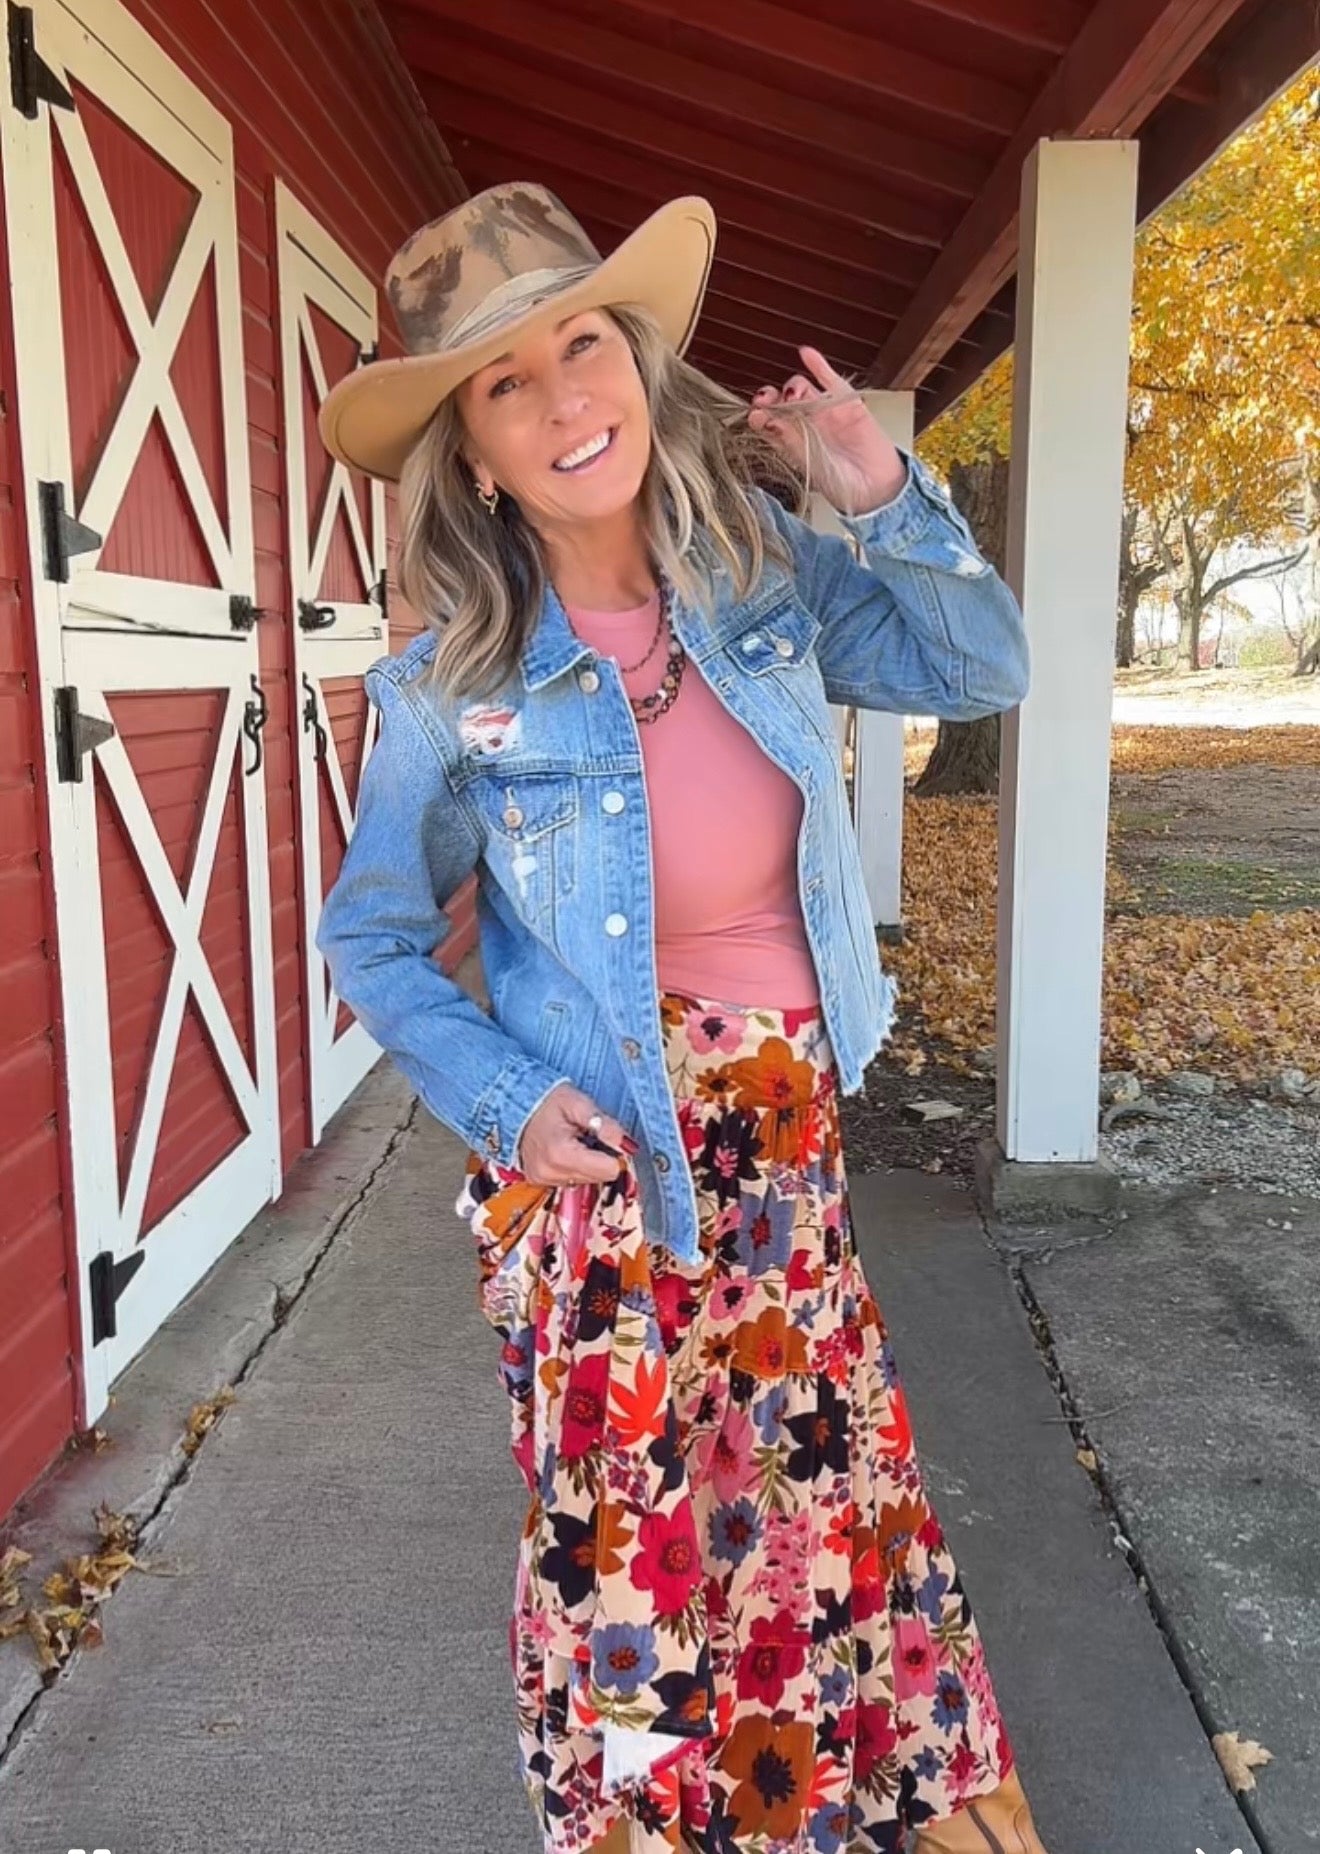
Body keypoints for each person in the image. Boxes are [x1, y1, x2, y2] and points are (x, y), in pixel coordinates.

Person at [315, 182, 1047, 1854]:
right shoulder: (457, 682)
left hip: (785, 1153)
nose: (567, 398)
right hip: (601, 1174)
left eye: (585, 344)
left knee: (810, 1514)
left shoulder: (763, 574)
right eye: (508, 383)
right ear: (475, 451)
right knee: (635, 1553)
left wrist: (888, 494)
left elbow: (983, 666)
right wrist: (506, 1104)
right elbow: (369, 935)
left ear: (637, 360)